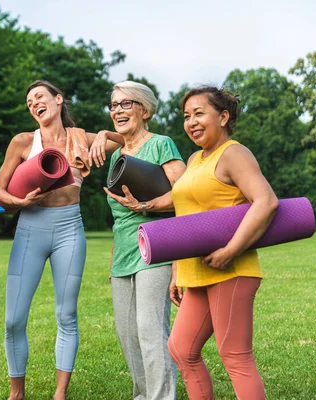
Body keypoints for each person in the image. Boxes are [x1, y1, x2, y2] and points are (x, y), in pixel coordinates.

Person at [0, 80, 123, 400]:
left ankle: (60, 393)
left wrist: (105, 134)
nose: (34, 103)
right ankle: (16, 393)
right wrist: (19, 203)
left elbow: (125, 142)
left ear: (58, 99)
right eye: (29, 101)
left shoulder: (82, 139)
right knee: (13, 319)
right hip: (30, 228)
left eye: (40, 96)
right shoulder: (23, 142)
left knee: (66, 315)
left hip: (69, 229)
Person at [168, 86, 278, 400]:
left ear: (224, 116)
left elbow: (266, 201)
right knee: (181, 348)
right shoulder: (193, 159)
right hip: (198, 272)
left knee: (235, 355)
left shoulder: (234, 153)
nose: (191, 122)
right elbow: (184, 215)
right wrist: (178, 270)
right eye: (187, 116)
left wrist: (232, 250)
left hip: (232, 269)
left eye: (199, 113)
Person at [92, 81, 185, 400]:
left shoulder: (161, 144)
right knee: (128, 334)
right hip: (123, 256)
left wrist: (147, 206)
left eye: (125, 104)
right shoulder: (117, 154)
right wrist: (114, 259)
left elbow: (187, 195)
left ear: (144, 110)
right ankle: (143, 395)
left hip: (157, 247)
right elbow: (121, 218)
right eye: (113, 105)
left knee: (149, 329)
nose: (117, 110)